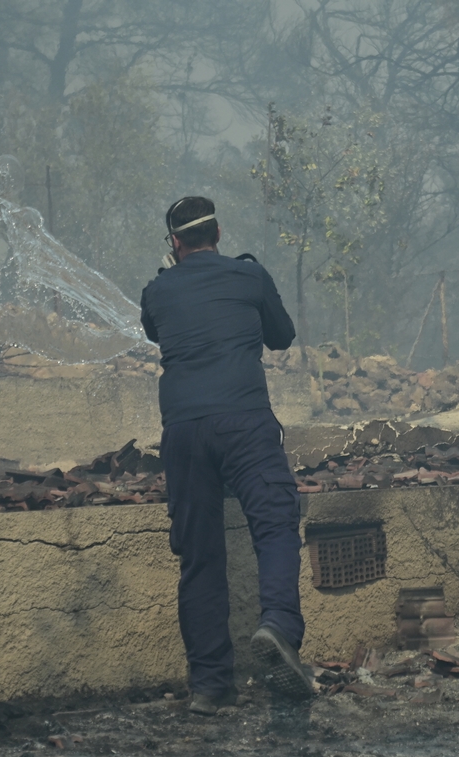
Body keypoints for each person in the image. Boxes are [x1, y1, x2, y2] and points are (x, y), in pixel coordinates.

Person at [140, 196, 314, 715]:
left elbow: (156, 329)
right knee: (277, 522)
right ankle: (278, 627)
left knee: (199, 556)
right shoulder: (248, 277)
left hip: (185, 433)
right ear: (218, 232)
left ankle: (211, 686)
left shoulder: (155, 289)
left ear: (175, 243)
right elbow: (282, 337)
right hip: (244, 422)